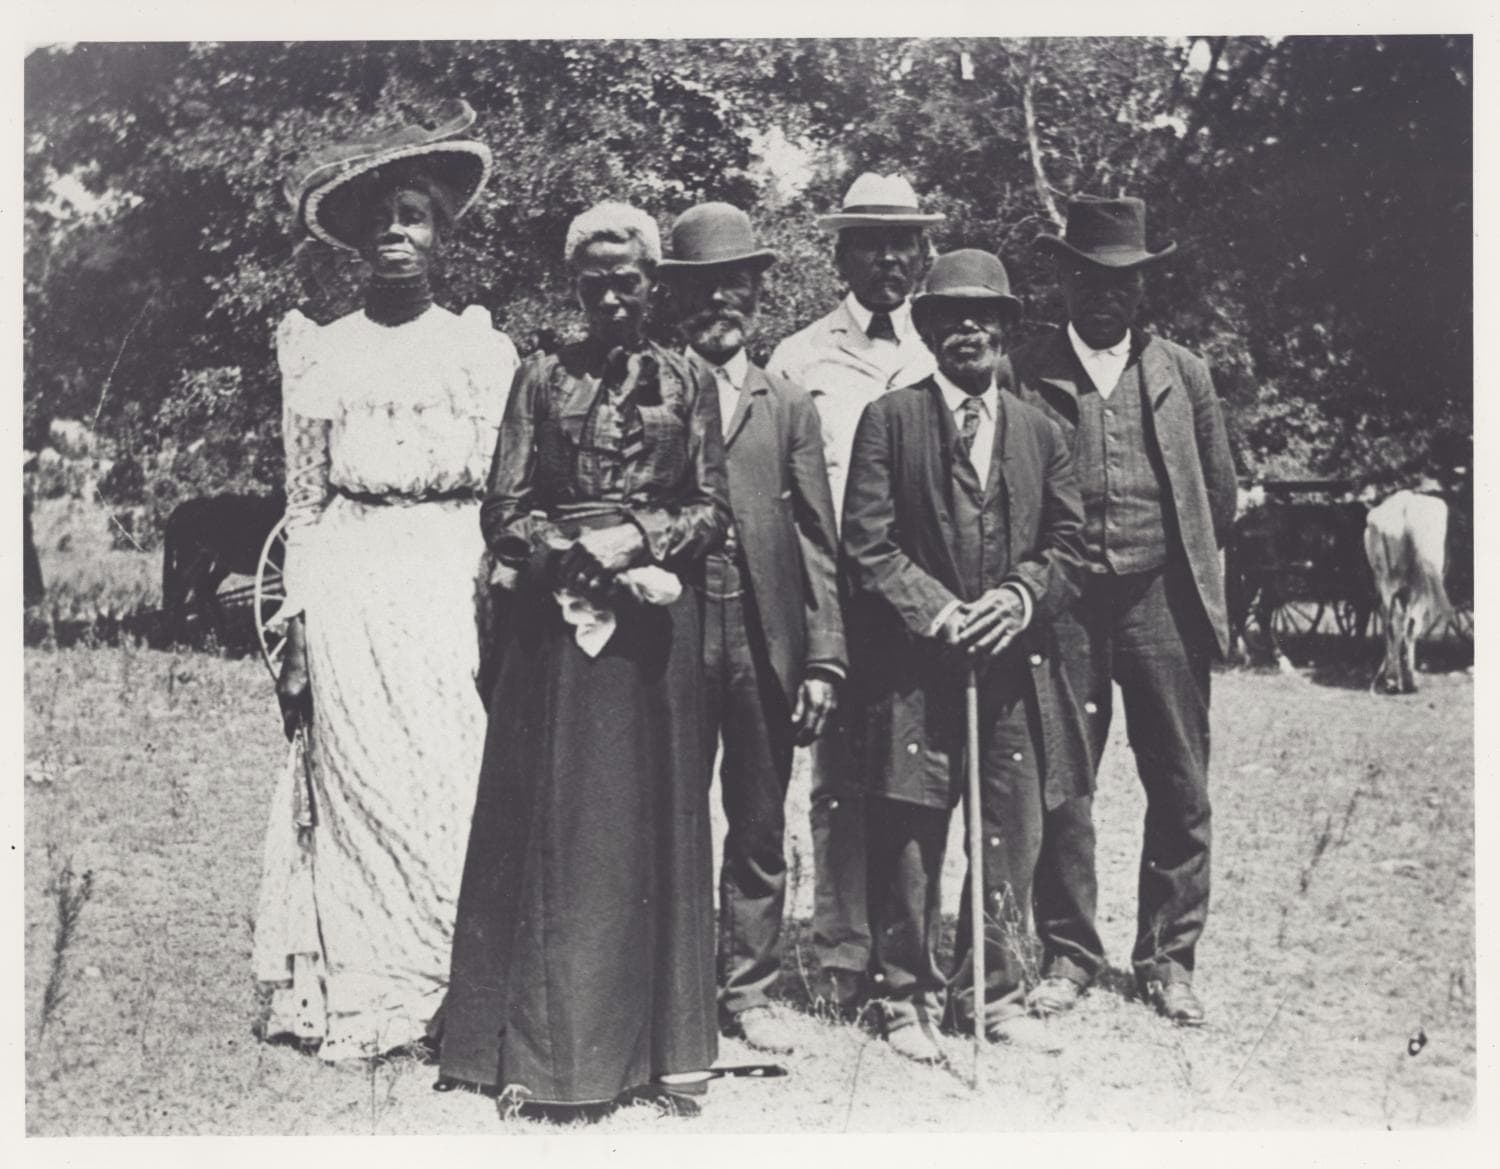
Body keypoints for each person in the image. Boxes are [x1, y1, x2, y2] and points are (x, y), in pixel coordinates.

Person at [438, 202, 731, 1112]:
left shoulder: (689, 381)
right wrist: (575, 558)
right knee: (555, 826)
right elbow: (504, 507)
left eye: (628, 278)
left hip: (652, 640)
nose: (612, 294)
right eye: (594, 279)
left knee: (649, 825)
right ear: (575, 285)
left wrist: (638, 538)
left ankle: (653, 1054)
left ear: (653, 285)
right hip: (553, 637)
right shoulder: (538, 378)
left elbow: (713, 508)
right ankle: (541, 1055)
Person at [252, 100, 519, 1060]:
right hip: (357, 577)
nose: (396, 235)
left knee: (447, 773)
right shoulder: (323, 350)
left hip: (450, 578)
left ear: (444, 235)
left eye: (415, 216)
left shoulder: (481, 352)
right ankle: (368, 989)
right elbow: (308, 501)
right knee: (361, 779)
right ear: (360, 243)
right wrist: (300, 625)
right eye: (383, 221)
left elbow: (504, 497)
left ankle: (454, 983)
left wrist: (500, 598)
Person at [842, 249, 1087, 1063]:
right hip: (916, 669)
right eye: (950, 317)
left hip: (1012, 670)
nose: (968, 330)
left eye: (985, 317)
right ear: (930, 329)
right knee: (911, 830)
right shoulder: (892, 419)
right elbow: (867, 547)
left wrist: (1017, 598)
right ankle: (900, 995)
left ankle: (994, 991)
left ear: (1007, 330)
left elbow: (1069, 544)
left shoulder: (1043, 431)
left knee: (1008, 833)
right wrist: (941, 612)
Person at [1008, 195, 1237, 1027]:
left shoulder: (1184, 373)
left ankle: (1169, 959)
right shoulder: (1022, 371)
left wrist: (1176, 572)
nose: (1107, 294)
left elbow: (1219, 494)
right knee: (1063, 785)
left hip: (1161, 601)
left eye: (1125, 281)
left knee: (1179, 782)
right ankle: (1068, 952)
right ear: (1065, 280)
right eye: (1090, 277)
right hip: (1063, 608)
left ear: (1143, 289)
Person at [658, 202, 846, 1055]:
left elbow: (817, 537)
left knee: (760, 820)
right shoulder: (651, 389)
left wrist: (824, 660)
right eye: (701, 289)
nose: (718, 304)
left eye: (734, 286)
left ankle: (751, 986)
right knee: (671, 810)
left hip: (767, 638)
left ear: (757, 294)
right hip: (673, 635)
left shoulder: (790, 403)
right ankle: (673, 981)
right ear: (677, 298)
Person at [766, 173, 943, 1010]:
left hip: (922, 604)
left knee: (915, 782)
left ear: (923, 252)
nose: (889, 259)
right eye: (870, 241)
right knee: (838, 780)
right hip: (834, 600)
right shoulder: (799, 358)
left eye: (903, 242)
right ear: (840, 252)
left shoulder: (946, 348)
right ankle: (840, 955)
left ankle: (912, 951)